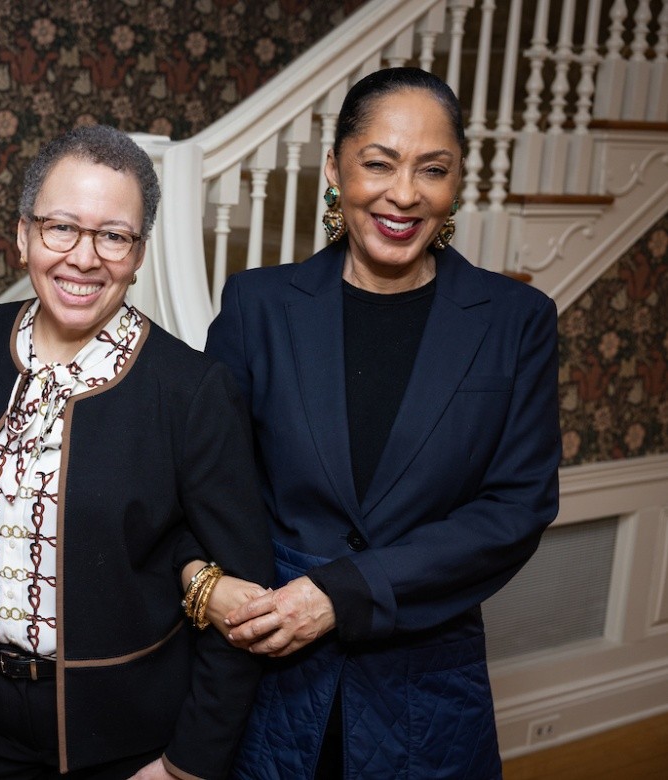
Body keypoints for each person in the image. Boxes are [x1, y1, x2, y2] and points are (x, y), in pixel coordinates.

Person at [203, 67, 561, 778]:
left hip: (426, 681)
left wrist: (343, 592)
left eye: (433, 169)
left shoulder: (516, 321)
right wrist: (203, 583)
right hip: (273, 677)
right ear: (335, 169)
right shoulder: (258, 306)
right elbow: (208, 481)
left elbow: (517, 507)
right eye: (379, 163)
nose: (404, 194)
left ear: (457, 180)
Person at [0, 124, 272, 780]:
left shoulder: (191, 389)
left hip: (121, 732)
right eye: (61, 227)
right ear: (24, 233)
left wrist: (186, 764)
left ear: (139, 252)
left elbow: (246, 603)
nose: (83, 258)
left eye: (113, 236)